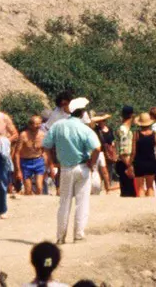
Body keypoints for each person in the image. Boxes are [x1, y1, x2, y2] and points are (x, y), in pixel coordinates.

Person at [50, 97, 102, 245]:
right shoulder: (85, 129)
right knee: (82, 202)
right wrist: (92, 162)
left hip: (65, 168)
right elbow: (97, 148)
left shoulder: (58, 126)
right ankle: (78, 235)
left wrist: (52, 162)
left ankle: (61, 236)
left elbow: (46, 144)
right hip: (82, 166)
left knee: (64, 203)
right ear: (82, 113)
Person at [16, 113, 48, 196]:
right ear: (30, 125)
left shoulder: (42, 135)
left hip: (38, 161)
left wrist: (47, 164)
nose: (38, 126)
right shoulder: (23, 135)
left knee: (39, 187)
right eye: (35, 124)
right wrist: (18, 170)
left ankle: (39, 205)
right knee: (28, 190)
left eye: (39, 124)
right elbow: (17, 153)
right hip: (26, 162)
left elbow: (44, 151)